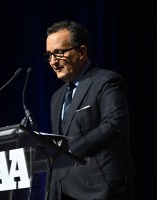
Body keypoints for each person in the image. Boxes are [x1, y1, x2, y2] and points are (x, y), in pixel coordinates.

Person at [44, 20, 138, 200]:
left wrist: (68, 151)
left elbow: (114, 124)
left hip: (101, 189)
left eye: (59, 53)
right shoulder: (57, 97)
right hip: (62, 191)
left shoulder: (106, 81)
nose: (53, 62)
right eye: (49, 55)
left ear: (82, 51)